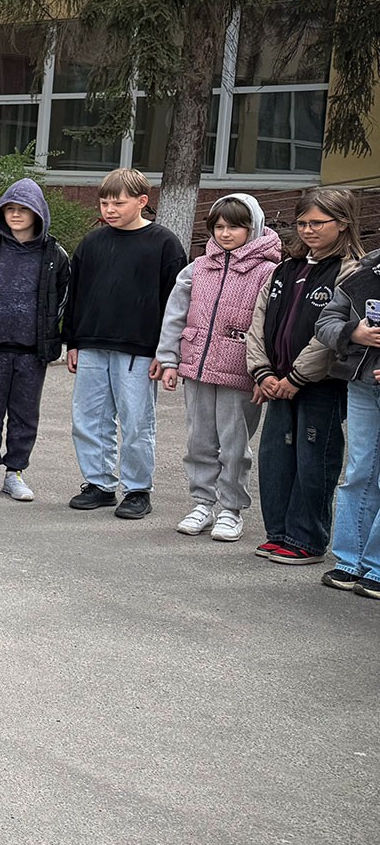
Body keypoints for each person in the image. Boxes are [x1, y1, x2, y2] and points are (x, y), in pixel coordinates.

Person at [154, 194, 284, 542]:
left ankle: (231, 508)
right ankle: (202, 502)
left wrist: (264, 371)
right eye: (220, 227)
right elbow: (175, 315)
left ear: (252, 227)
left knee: (234, 444)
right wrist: (169, 359)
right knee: (198, 441)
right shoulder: (198, 267)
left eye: (235, 226)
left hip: (241, 373)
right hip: (197, 367)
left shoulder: (268, 271)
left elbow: (272, 325)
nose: (226, 234)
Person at [245, 188, 364, 565]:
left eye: (317, 223)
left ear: (342, 223)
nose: (308, 230)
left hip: (319, 386)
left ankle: (307, 539)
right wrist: (262, 371)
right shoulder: (286, 268)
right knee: (276, 459)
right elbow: (258, 321)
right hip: (275, 381)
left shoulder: (351, 271)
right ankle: (278, 532)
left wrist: (297, 377)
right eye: (302, 223)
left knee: (314, 462)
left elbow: (330, 335)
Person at [64, 168, 189, 520]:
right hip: (91, 344)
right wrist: (72, 340)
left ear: (142, 202)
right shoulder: (92, 243)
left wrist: (166, 353)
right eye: (104, 202)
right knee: (88, 419)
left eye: (118, 202)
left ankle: (137, 489)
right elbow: (76, 295)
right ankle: (99, 484)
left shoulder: (165, 244)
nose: (110, 209)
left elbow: (175, 304)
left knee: (136, 422)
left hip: (140, 349)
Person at [0, 177, 71, 503]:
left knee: (25, 414)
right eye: (10, 208)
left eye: (23, 209)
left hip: (31, 351)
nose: (15, 214)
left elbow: (64, 299)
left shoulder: (55, 255)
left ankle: (15, 473)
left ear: (37, 213)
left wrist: (52, 337)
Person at [314, 243, 380, 599]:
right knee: (359, 473)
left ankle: (378, 565)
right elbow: (326, 321)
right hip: (363, 385)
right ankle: (350, 560)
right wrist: (354, 334)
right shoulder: (367, 269)